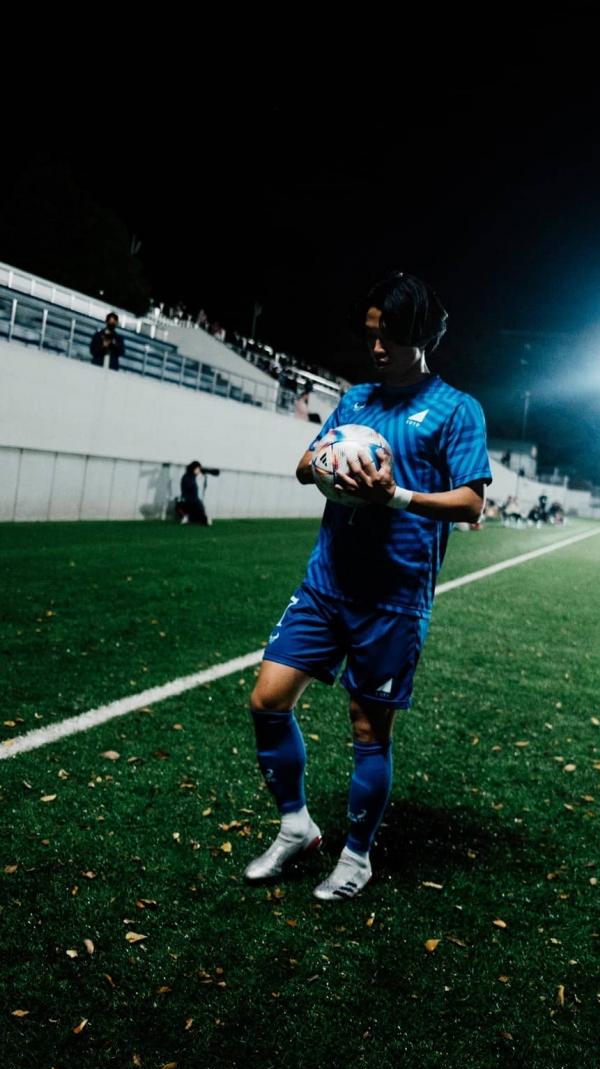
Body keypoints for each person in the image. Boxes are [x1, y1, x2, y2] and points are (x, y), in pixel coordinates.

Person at [245, 271, 492, 901]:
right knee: (267, 701)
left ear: (423, 335)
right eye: (371, 334)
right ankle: (296, 827)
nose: (377, 348)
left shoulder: (457, 409)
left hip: (393, 597)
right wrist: (326, 463)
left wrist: (395, 495)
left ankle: (356, 858)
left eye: (391, 337)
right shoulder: (356, 400)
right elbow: (304, 465)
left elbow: (470, 503)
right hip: (325, 583)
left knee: (367, 730)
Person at [178, 461, 210, 525]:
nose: (199, 471)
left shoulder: (192, 477)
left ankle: (190, 517)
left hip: (192, 501)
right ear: (194, 468)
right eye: (198, 469)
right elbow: (189, 492)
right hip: (188, 501)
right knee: (200, 511)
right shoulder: (188, 477)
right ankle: (187, 516)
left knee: (202, 516)